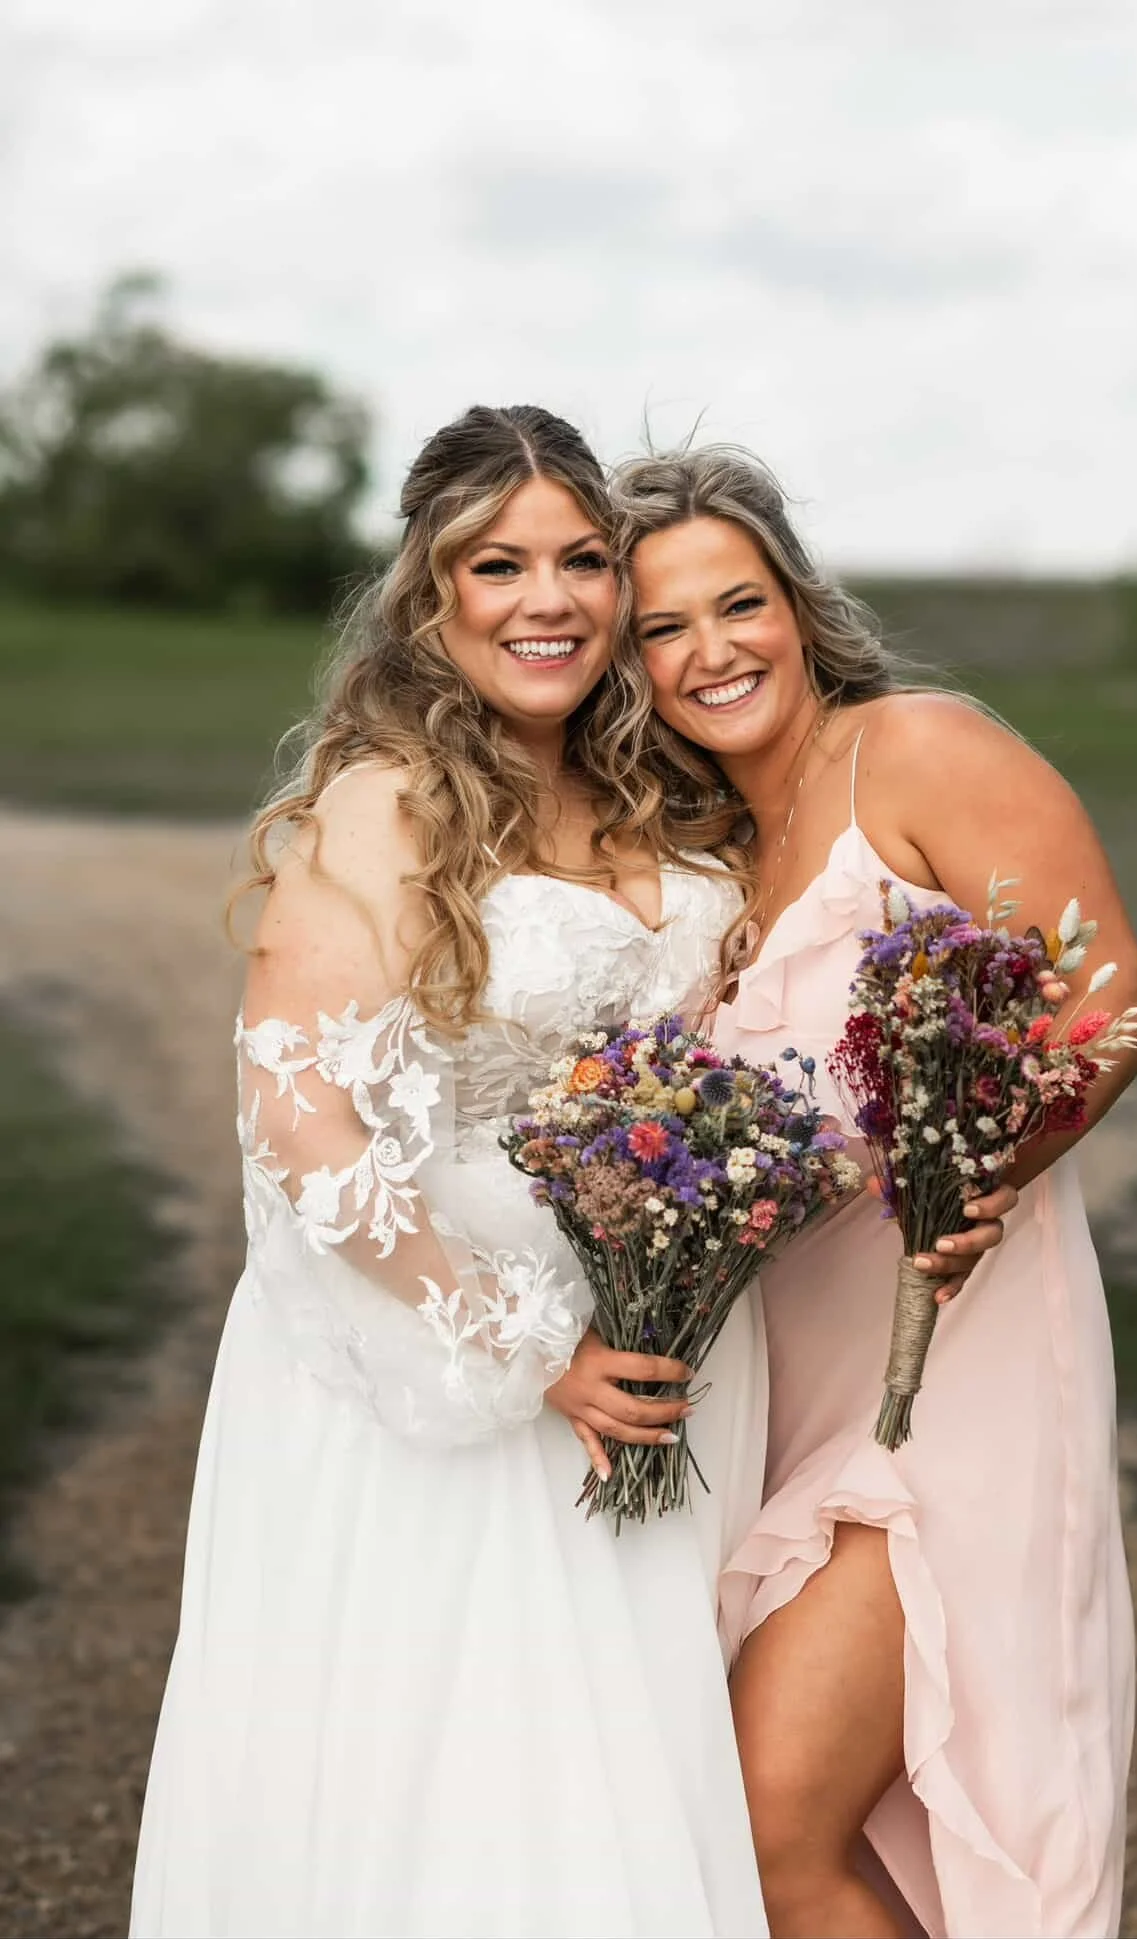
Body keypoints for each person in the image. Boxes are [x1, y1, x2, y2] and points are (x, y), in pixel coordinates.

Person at [130, 406, 772, 1939]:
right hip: (453, 1357)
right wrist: (529, 1348)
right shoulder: (390, 796)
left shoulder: (659, 786)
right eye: (499, 564)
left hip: (658, 1326)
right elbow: (298, 1116)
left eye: (582, 561)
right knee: (485, 1785)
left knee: (639, 1754)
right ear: (434, 593)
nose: (545, 599)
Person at [616, 445, 1137, 1939]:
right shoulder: (704, 851)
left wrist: (983, 1171)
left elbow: (1104, 998)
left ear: (796, 600)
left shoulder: (915, 750)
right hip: (784, 1378)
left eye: (737, 603)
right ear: (632, 664)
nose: (711, 649)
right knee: (804, 1817)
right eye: (664, 628)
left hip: (950, 1364)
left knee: (768, 1810)